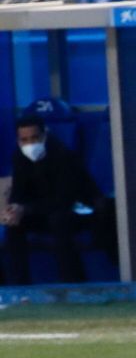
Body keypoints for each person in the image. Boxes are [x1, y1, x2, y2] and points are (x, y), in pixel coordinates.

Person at [3, 113, 104, 286]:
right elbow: (19, 193)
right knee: (14, 226)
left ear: (44, 135)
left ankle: (72, 283)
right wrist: (13, 209)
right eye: (24, 140)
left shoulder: (63, 156)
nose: (30, 144)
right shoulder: (19, 158)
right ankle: (18, 286)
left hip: (78, 210)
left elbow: (63, 199)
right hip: (42, 212)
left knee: (59, 220)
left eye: (34, 138)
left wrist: (26, 209)